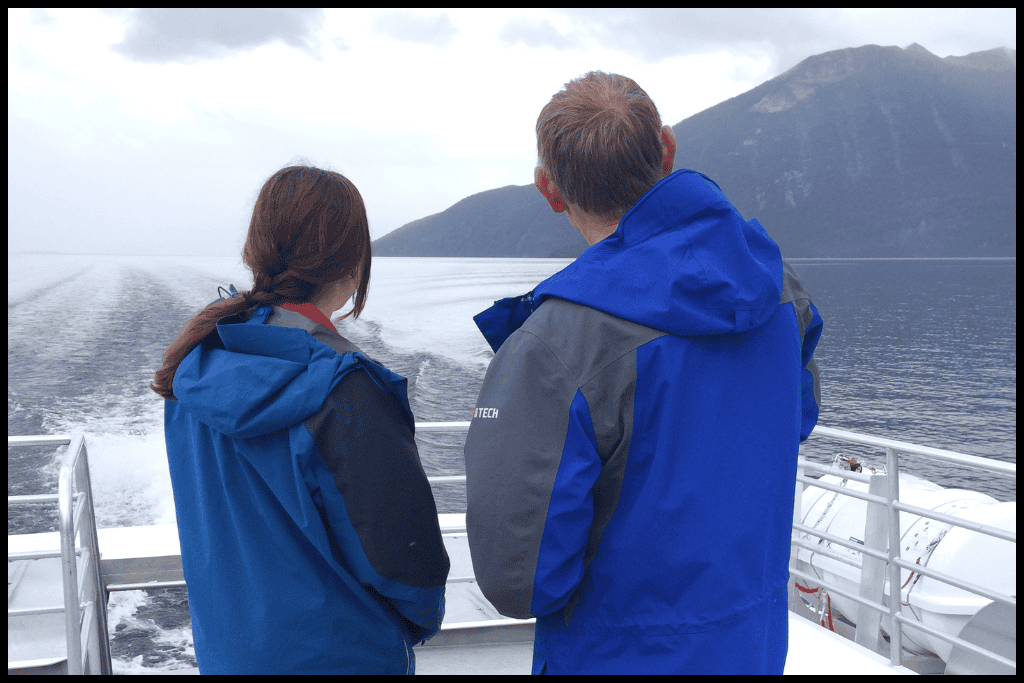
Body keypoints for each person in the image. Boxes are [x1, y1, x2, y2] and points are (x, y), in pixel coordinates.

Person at [465, 72, 823, 674]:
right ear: (668, 150)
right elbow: (797, 417)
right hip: (749, 650)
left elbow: (520, 580)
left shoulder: (555, 346)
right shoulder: (781, 295)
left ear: (550, 190)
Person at [150, 166, 449, 674]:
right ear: (355, 260)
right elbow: (407, 568)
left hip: (231, 656)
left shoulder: (193, 369)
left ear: (256, 249)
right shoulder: (345, 390)